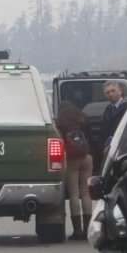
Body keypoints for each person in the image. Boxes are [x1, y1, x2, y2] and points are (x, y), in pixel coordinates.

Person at [55, 101, 93, 240]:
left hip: (71, 159)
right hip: (86, 157)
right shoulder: (83, 118)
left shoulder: (60, 122)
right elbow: (90, 136)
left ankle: (77, 231)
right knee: (86, 193)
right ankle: (87, 230)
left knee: (74, 194)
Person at [100, 81, 127, 162]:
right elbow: (104, 131)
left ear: (120, 91)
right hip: (109, 150)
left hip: (124, 148)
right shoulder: (108, 109)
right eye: (107, 92)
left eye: (113, 91)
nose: (110, 94)